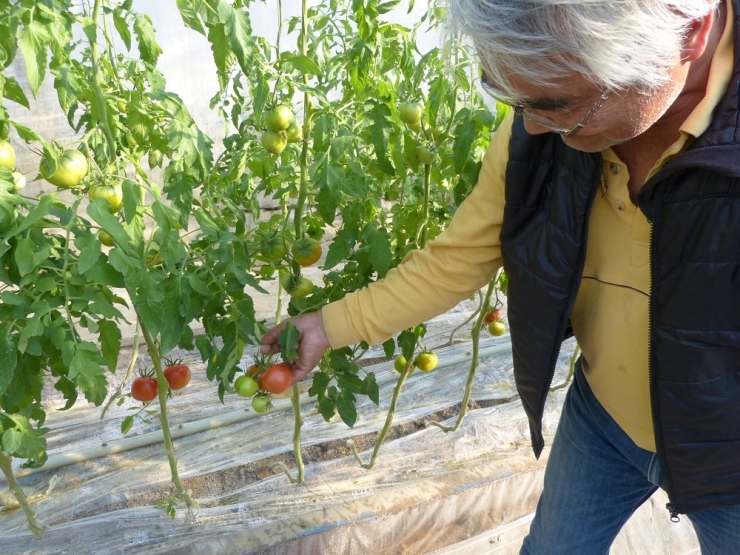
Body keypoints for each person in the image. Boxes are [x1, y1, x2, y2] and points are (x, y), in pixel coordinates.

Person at [261, 1, 740, 552]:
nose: (531, 125)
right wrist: (329, 325)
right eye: (508, 93)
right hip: (605, 418)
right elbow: (456, 258)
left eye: (557, 103)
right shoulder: (539, 126)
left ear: (688, 37)